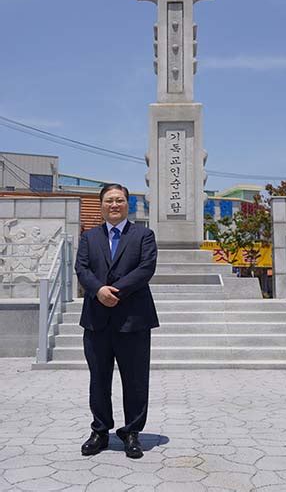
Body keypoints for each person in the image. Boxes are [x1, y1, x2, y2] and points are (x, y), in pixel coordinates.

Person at [75, 183, 159, 459]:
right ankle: (100, 430)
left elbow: (146, 268)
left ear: (127, 204)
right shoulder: (89, 237)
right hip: (96, 319)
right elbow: (82, 268)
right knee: (98, 378)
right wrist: (98, 290)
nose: (114, 205)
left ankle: (132, 432)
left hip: (133, 319)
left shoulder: (144, 235)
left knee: (135, 379)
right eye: (109, 200)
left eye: (120, 200)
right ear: (101, 205)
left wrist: (116, 292)